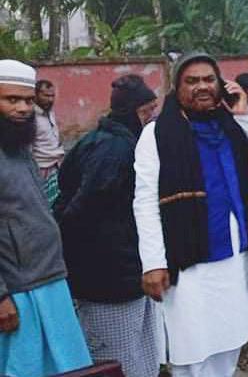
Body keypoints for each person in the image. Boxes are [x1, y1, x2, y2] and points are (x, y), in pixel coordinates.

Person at [133, 53, 248, 376]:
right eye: (191, 81)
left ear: (220, 84)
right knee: (192, 350)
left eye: (208, 79)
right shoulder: (156, 134)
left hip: (237, 255)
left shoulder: (234, 125)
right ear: (177, 88)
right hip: (190, 261)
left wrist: (247, 114)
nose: (201, 87)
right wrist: (154, 263)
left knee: (231, 342)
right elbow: (144, 202)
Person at [56, 75, 161, 377]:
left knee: (141, 352)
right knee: (116, 357)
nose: (151, 118)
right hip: (107, 276)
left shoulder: (115, 141)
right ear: (133, 112)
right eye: (147, 111)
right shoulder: (113, 150)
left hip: (128, 269)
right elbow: (83, 209)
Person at [0, 59, 92, 376]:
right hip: (18, 292)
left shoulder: (18, 147)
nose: (23, 108)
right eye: (12, 100)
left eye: (28, 100)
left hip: (49, 281)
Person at [33, 79, 65, 205]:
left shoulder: (49, 112)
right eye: (46, 95)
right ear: (36, 94)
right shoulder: (30, 117)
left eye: (52, 96)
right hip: (40, 169)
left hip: (55, 165)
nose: (50, 99)